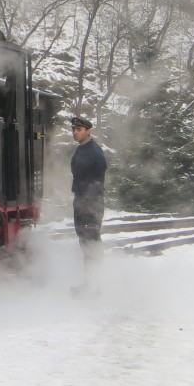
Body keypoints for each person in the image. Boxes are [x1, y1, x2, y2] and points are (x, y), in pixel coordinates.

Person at [70, 116, 107, 288]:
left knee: (91, 241)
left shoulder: (94, 151)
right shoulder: (81, 149)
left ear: (88, 131)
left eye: (79, 130)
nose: (75, 133)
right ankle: (89, 283)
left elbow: (100, 170)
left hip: (91, 201)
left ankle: (94, 284)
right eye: (74, 130)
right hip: (81, 200)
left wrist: (89, 192)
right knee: (84, 241)